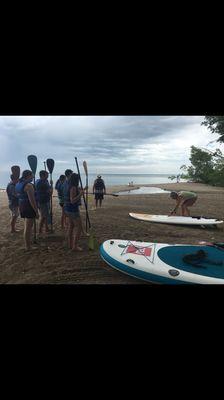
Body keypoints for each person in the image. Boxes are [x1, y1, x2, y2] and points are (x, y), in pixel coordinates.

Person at [15, 170, 39, 250]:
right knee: (28, 227)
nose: (33, 177)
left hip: (21, 206)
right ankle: (28, 246)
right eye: (32, 175)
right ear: (28, 176)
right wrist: (36, 211)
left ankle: (27, 244)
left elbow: (17, 194)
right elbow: (32, 200)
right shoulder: (29, 186)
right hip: (29, 207)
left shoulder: (18, 183)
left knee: (27, 226)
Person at [63, 172, 87, 251]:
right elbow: (72, 200)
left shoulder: (67, 185)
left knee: (71, 226)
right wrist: (81, 194)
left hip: (67, 209)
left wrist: (82, 190)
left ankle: (70, 244)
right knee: (79, 228)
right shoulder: (73, 187)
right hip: (72, 210)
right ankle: (75, 246)